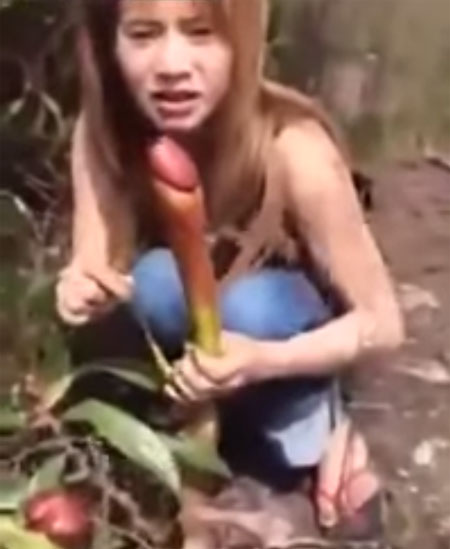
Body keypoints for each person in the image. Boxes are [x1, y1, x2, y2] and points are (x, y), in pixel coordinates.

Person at [56, 0, 404, 541]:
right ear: (109, 43)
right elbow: (94, 263)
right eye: (143, 35)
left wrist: (264, 360)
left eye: (200, 34)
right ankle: (187, 452)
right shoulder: (104, 134)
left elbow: (384, 324)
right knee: (154, 284)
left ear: (243, 43)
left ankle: (308, 441)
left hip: (278, 346)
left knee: (250, 307)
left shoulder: (294, 148)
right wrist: (80, 289)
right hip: (188, 358)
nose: (172, 64)